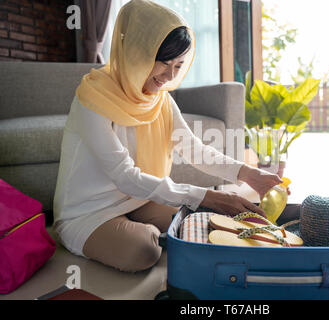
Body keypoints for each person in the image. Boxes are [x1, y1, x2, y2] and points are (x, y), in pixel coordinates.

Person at [53, 0, 285, 273]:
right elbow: (125, 176)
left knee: (203, 222)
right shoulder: (91, 100)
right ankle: (148, 234)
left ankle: (154, 230)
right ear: (136, 51)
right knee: (144, 250)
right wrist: (209, 195)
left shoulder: (160, 100)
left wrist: (249, 174)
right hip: (88, 213)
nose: (170, 76)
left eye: (179, 66)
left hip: (138, 201)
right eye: (164, 63)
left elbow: (195, 150)